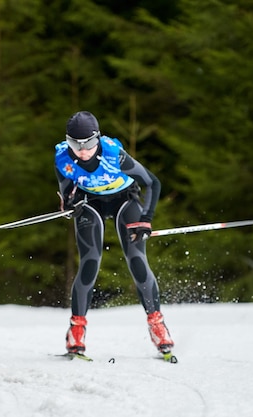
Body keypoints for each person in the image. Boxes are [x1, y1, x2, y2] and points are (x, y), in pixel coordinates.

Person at [54, 110, 174, 356]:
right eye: (75, 144)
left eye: (88, 143)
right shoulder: (62, 159)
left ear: (97, 138)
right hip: (91, 204)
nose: (83, 150)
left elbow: (153, 182)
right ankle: (76, 329)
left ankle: (157, 324)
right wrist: (70, 207)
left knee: (136, 259)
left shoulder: (113, 154)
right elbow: (67, 197)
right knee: (90, 262)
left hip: (124, 200)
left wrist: (146, 219)